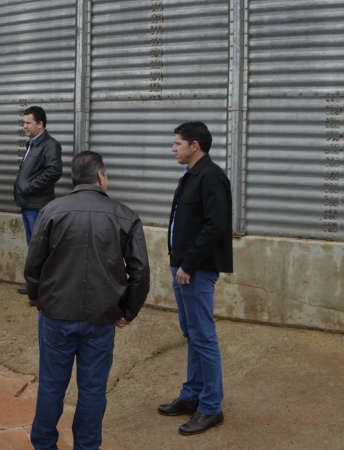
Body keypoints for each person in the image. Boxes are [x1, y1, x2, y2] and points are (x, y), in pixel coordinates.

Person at [25, 151, 150, 450]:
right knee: (93, 389)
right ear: (100, 177)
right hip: (101, 317)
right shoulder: (125, 215)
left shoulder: (52, 211)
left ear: (75, 179)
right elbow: (140, 271)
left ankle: (43, 444)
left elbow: (33, 263)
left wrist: (39, 300)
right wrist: (129, 311)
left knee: (52, 385)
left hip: (56, 313)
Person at [159, 121, 232, 435]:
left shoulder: (211, 176)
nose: (173, 148)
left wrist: (187, 264)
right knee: (192, 334)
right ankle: (192, 395)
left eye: (178, 143)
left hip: (197, 271)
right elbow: (185, 222)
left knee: (203, 336)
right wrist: (174, 255)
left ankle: (211, 407)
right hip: (183, 266)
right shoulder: (191, 175)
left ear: (195, 146)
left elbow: (215, 226)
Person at [13, 105, 62, 304]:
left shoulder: (50, 145)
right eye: (23, 122)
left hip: (38, 205)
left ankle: (43, 291)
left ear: (40, 124)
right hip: (28, 204)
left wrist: (28, 187)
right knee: (33, 247)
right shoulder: (32, 144)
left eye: (28, 123)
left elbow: (53, 172)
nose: (24, 126)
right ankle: (35, 286)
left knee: (40, 249)